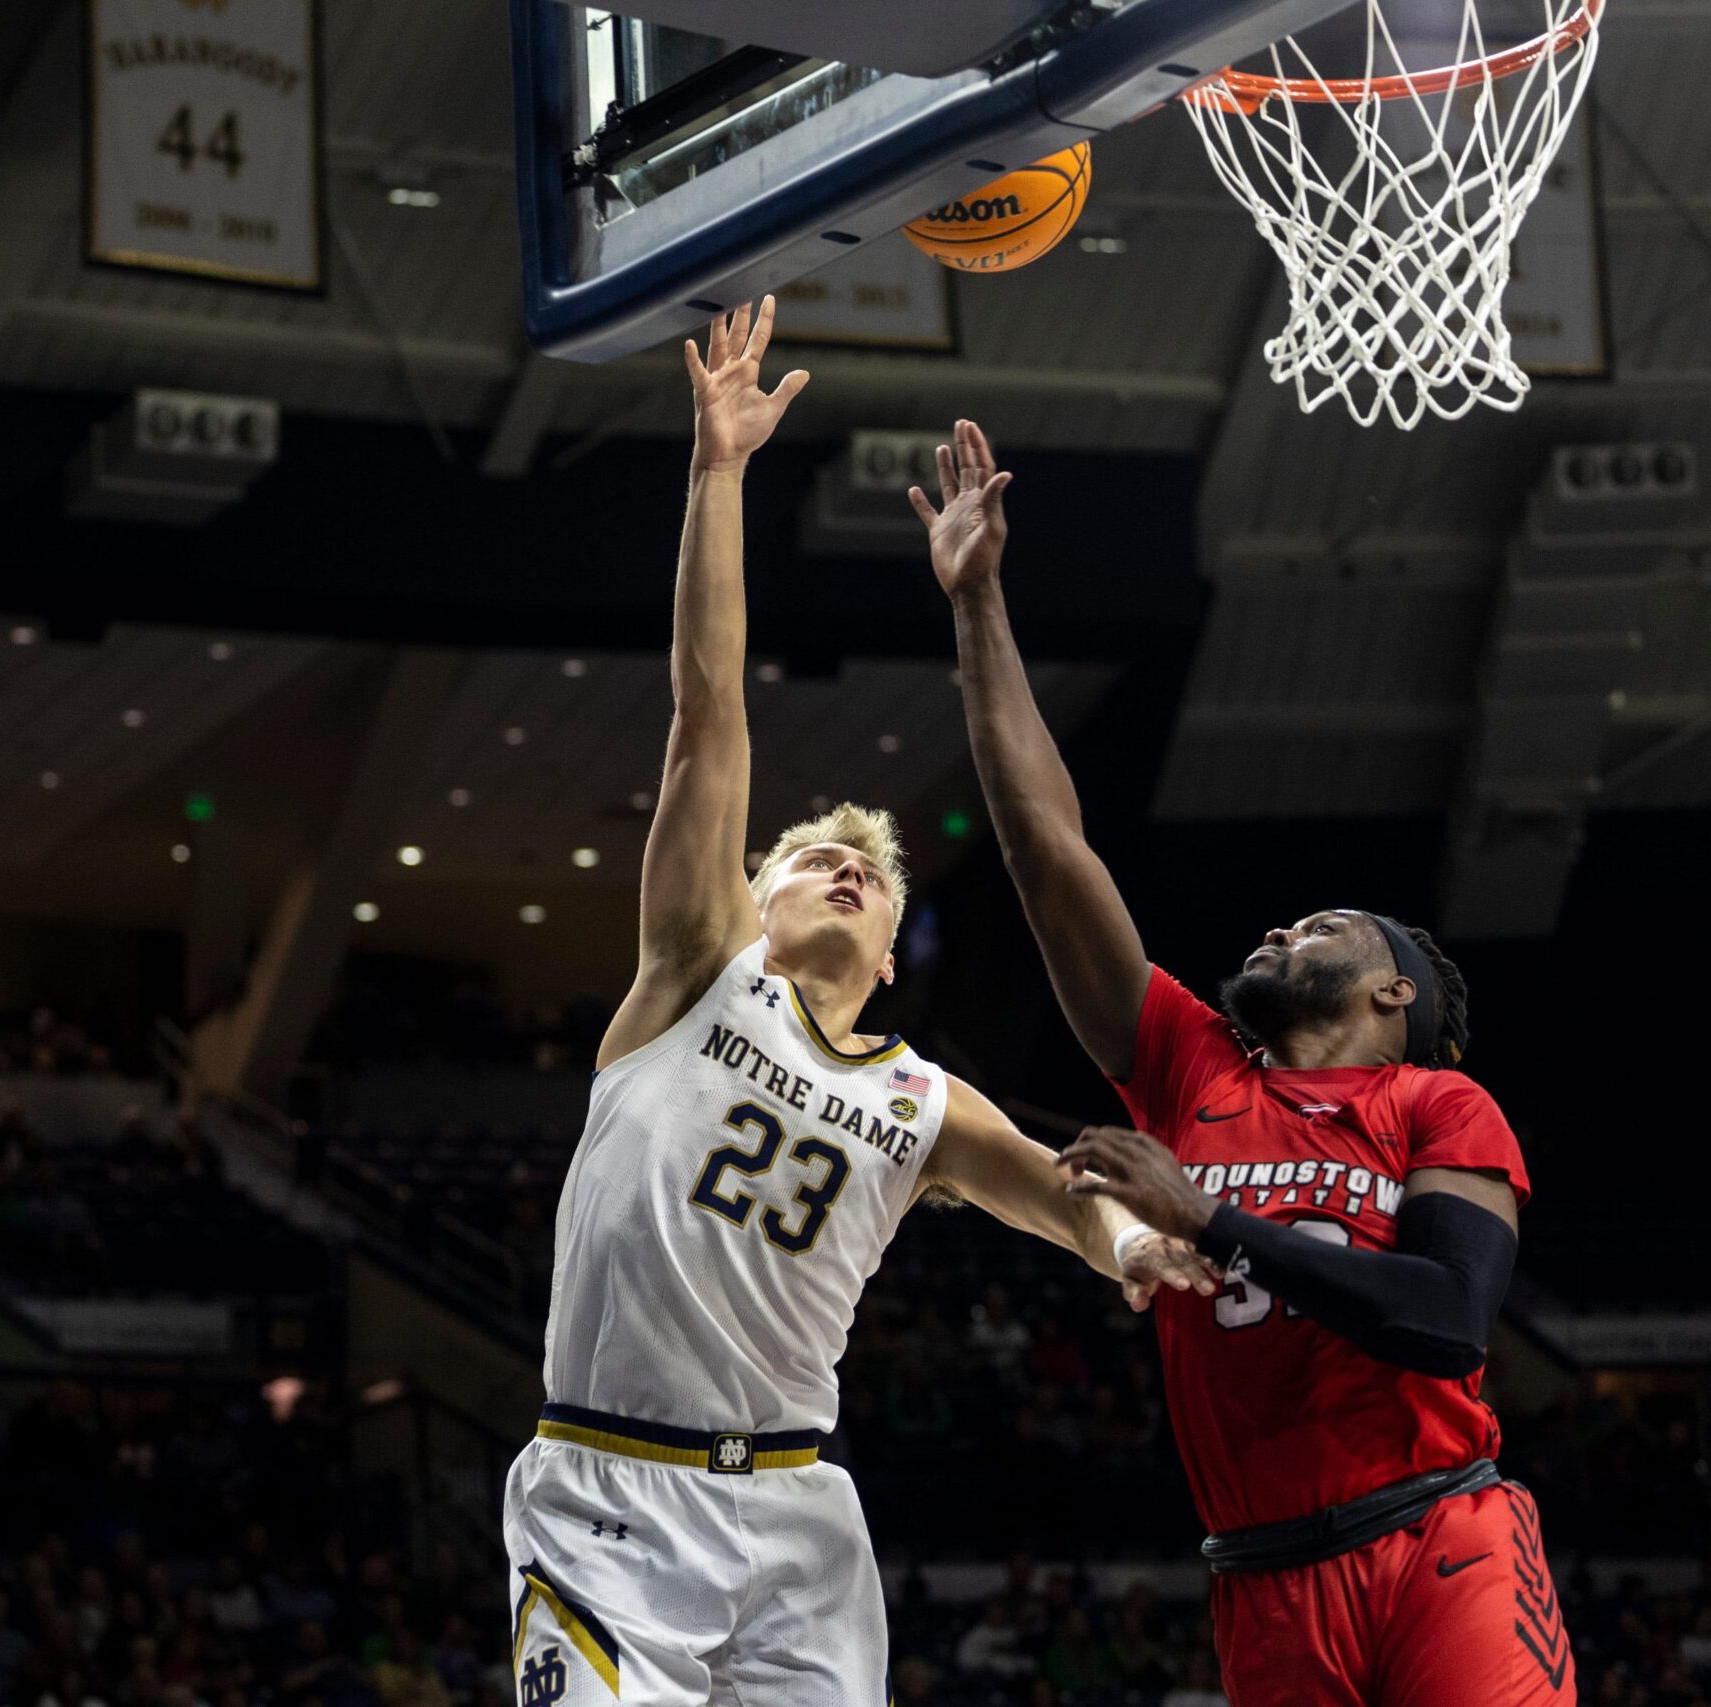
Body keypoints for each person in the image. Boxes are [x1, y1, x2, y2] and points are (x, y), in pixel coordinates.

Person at [500, 301, 1212, 1705]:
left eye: (869, 871)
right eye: (811, 855)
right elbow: (709, 712)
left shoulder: (919, 1099)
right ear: (755, 902)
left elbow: (1063, 1189)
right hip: (609, 1491)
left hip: (799, 1515)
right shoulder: (694, 972)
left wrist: (1126, 1242)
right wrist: (718, 473)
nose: (842, 862)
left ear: (890, 951)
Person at [916, 419, 1568, 1706]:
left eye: (1322, 927)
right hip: (1262, 1579)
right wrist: (978, 601)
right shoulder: (1190, 1064)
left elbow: (1446, 1321)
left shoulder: (1435, 1101)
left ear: (1397, 990)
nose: (1281, 928)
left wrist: (1208, 1214)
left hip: (1441, 1536)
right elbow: (1048, 846)